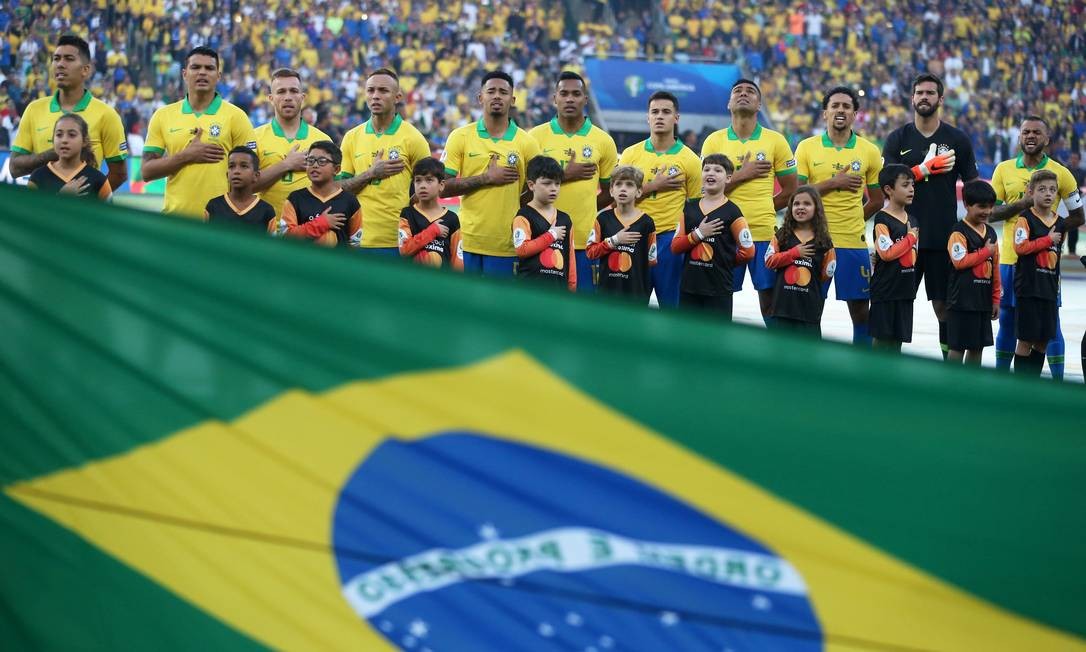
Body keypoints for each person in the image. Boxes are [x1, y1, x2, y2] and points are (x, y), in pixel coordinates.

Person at [882, 73, 978, 359]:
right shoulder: (897, 138)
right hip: (901, 237)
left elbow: (973, 188)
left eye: (930, 93)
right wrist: (922, 169)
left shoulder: (957, 139)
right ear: (912, 98)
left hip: (941, 237)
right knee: (896, 304)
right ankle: (888, 368)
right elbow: (884, 184)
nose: (924, 97)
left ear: (940, 99)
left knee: (944, 308)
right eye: (920, 93)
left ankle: (949, 369)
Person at [989, 117, 1084, 377]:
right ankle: (1002, 381)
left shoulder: (1061, 172)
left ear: (1047, 139)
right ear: (1019, 137)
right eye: (1026, 132)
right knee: (1008, 321)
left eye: (1036, 132)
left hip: (1046, 264)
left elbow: (1079, 216)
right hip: (1010, 259)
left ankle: (1058, 383)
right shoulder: (1003, 169)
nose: (1030, 136)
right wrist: (1024, 204)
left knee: (1051, 324)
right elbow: (990, 213)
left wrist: (1055, 231)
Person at [701, 79, 798, 325]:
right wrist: (742, 175)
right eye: (737, 91)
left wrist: (764, 208)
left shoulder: (775, 141)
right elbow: (705, 191)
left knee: (769, 300)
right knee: (720, 299)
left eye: (750, 92)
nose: (743, 94)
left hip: (763, 233)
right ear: (729, 103)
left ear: (759, 105)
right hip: (722, 234)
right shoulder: (714, 141)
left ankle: (777, 354)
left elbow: (790, 190)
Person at [795, 86, 883, 345]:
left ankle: (862, 369)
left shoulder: (869, 151)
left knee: (861, 312)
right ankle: (811, 365)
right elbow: (797, 194)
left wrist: (855, 217)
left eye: (847, 106)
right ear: (825, 113)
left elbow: (877, 199)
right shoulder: (806, 147)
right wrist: (834, 183)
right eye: (835, 106)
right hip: (814, 243)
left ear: (855, 114)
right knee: (811, 310)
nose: (840, 110)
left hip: (852, 243)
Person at [440, 70, 540, 276]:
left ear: (512, 100)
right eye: (491, 91)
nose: (496, 96)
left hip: (507, 244)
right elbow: (440, 188)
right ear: (480, 97)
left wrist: (514, 206)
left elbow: (537, 191)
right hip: (466, 242)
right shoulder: (460, 136)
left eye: (503, 92)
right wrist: (486, 178)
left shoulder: (527, 142)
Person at [142, 46, 258, 218]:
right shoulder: (162, 116)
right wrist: (187, 156)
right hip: (176, 221)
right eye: (195, 67)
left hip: (222, 222)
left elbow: (251, 176)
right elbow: (146, 172)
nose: (202, 73)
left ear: (218, 76)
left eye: (209, 68)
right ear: (184, 74)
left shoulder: (237, 117)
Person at [528, 71, 617, 293]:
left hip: (583, 243)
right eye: (564, 93)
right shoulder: (534, 138)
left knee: (582, 311)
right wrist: (565, 175)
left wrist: (587, 209)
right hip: (542, 239)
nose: (570, 99)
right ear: (554, 98)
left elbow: (610, 192)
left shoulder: (603, 140)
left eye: (576, 94)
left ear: (585, 99)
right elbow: (522, 192)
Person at [617, 90, 702, 307]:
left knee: (672, 308)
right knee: (631, 308)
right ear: (648, 117)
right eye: (654, 112)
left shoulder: (690, 160)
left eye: (666, 111)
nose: (660, 116)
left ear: (676, 118)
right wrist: (654, 186)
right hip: (634, 239)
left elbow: (696, 209)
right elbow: (617, 200)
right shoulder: (630, 155)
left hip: (670, 242)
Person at [11, 34, 127, 191]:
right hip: (42, 212)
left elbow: (119, 173)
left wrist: (91, 199)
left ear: (86, 70)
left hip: (82, 214)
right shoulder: (34, 109)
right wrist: (53, 153)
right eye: (56, 58)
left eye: (69, 59)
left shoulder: (107, 114)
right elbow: (14, 169)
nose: (60, 64)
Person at [338, 69, 432, 254]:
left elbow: (432, 188)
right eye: (371, 90)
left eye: (383, 90)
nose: (375, 96)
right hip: (357, 239)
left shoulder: (413, 138)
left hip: (399, 241)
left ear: (397, 97)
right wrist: (371, 173)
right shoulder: (352, 137)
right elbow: (338, 190)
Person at [670, 153, 754, 318]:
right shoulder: (689, 209)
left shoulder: (733, 212)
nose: (711, 173)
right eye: (706, 169)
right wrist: (699, 234)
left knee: (716, 340)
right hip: (689, 287)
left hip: (719, 288)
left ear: (728, 178)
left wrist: (726, 261)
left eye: (718, 170)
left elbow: (748, 251)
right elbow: (675, 247)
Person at [252, 68, 331, 220]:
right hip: (265, 232)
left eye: (293, 91)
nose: (288, 97)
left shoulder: (323, 140)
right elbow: (245, 187)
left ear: (302, 97)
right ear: (271, 98)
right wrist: (287, 164)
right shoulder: (254, 137)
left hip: (309, 233)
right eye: (281, 92)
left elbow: (332, 191)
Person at [1012, 170, 1064, 376]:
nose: (1048, 194)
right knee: (1025, 339)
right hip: (1029, 288)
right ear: (1030, 192)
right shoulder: (1025, 219)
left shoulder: (1060, 222)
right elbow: (1020, 247)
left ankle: (1032, 384)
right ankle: (1020, 388)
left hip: (1049, 289)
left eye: (1052, 190)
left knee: (1043, 341)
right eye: (1042, 189)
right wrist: (1047, 240)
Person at [765, 187, 836, 336]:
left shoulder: (824, 242)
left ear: (817, 208)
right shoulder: (781, 235)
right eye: (796, 204)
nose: (801, 207)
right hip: (782, 309)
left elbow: (826, 274)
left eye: (807, 204)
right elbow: (769, 260)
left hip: (809, 312)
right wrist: (794, 253)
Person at [946, 180, 1001, 365]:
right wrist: (985, 252)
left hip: (982, 302)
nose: (987, 211)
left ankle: (970, 387)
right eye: (982, 206)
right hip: (961, 302)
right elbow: (959, 262)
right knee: (957, 347)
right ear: (967, 205)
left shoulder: (992, 233)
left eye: (990, 207)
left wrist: (995, 300)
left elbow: (995, 270)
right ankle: (951, 387)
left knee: (977, 347)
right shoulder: (958, 232)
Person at [586, 165, 657, 302]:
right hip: (607, 292)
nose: (623, 188)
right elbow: (590, 252)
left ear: (639, 192)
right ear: (611, 191)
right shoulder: (603, 219)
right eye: (618, 184)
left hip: (636, 294)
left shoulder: (647, 222)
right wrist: (614, 240)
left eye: (629, 185)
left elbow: (651, 260)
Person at [272, 141, 362, 247]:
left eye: (322, 161)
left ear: (336, 169)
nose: (315, 165)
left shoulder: (350, 201)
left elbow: (355, 243)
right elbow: (286, 236)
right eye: (310, 160)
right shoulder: (295, 199)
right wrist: (322, 223)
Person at [868, 164, 919, 351]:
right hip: (886, 290)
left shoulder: (913, 220)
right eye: (905, 185)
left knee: (897, 342)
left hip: (905, 290)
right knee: (881, 341)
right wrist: (911, 238)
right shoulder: (882, 219)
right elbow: (887, 253)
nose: (911, 189)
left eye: (913, 185)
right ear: (888, 190)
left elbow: (912, 255)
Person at [513, 156, 576, 291]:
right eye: (547, 183)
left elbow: (570, 259)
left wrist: (572, 288)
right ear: (531, 185)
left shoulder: (565, 219)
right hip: (530, 292)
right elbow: (522, 250)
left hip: (558, 291)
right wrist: (551, 235)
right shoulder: (523, 216)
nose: (553, 188)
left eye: (557, 184)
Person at [27, 113, 112, 201]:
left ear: (84, 141)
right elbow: (28, 213)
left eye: (72, 135)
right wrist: (61, 197)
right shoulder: (37, 177)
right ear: (53, 140)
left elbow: (110, 214)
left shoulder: (99, 180)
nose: (64, 140)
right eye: (59, 135)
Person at [398, 157, 462, 270]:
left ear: (441, 185)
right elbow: (404, 250)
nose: (423, 185)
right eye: (418, 180)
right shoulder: (407, 214)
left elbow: (457, 261)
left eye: (429, 180)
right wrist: (433, 230)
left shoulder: (452, 218)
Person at [204, 147, 275, 230]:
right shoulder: (213, 206)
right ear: (227, 175)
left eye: (244, 166)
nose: (236, 171)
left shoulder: (266, 211)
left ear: (256, 175)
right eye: (231, 166)